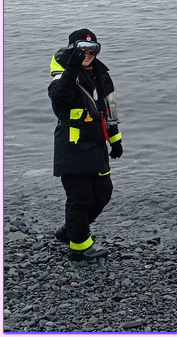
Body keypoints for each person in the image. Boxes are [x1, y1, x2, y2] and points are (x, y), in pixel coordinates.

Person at [48, 29, 123, 262]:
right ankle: (79, 248)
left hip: (97, 145)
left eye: (94, 49)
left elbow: (110, 109)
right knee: (79, 197)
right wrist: (71, 68)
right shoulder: (61, 77)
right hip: (72, 147)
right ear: (72, 49)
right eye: (83, 48)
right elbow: (59, 98)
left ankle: (71, 231)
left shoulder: (102, 75)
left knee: (102, 193)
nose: (88, 53)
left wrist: (116, 139)